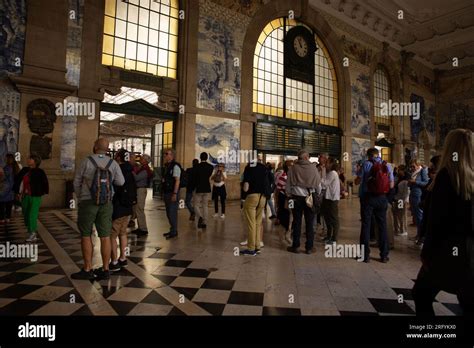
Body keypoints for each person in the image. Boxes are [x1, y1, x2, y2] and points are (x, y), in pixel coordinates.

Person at [412, 129, 473, 316]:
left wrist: (427, 251)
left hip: (447, 248)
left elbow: (436, 221)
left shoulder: (447, 176)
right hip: (471, 250)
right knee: (468, 301)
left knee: (421, 294)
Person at [72, 138, 124, 280]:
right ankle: (106, 269)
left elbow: (76, 181)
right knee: (105, 235)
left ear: (95, 147)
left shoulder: (86, 161)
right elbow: (121, 182)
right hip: (106, 203)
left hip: (88, 202)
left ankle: (88, 269)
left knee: (86, 234)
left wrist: (80, 196)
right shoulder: (113, 163)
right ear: (107, 150)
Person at [356, 148, 394, 263]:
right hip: (382, 199)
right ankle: (384, 255)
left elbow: (357, 181)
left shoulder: (366, 164)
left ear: (368, 155)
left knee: (366, 225)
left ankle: (365, 255)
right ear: (378, 155)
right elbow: (391, 185)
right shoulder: (387, 166)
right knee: (382, 226)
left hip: (368, 198)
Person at [286, 149, 321, 254]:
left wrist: (289, 194)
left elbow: (288, 185)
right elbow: (318, 185)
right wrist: (317, 194)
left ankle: (295, 246)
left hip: (296, 198)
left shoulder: (292, 168)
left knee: (296, 222)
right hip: (309, 198)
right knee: (309, 223)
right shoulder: (313, 168)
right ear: (306, 157)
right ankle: (309, 248)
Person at [109, 149, 136, 272]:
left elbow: (114, 188)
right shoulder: (130, 171)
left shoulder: (117, 170)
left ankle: (114, 261)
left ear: (118, 158)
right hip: (128, 207)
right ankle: (123, 258)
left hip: (119, 206)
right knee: (123, 233)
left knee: (112, 235)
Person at [13, 154, 49, 243]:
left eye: (30, 159)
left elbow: (44, 183)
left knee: (32, 214)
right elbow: (18, 180)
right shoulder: (25, 170)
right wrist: (17, 192)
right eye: (28, 158)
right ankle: (30, 230)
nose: (28, 160)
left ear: (35, 161)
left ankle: (32, 233)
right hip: (25, 196)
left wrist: (42, 192)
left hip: (35, 196)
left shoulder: (40, 171)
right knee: (25, 214)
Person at [240, 159, 270, 256]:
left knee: (251, 223)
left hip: (252, 196)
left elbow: (246, 187)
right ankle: (257, 246)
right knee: (258, 222)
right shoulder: (264, 168)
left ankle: (251, 248)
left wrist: (243, 193)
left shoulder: (249, 168)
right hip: (263, 197)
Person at [408, 159, 429, 244]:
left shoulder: (422, 171)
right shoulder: (415, 172)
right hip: (413, 194)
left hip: (418, 195)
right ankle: (418, 234)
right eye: (411, 166)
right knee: (416, 216)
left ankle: (421, 237)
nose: (412, 168)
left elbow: (426, 183)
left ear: (418, 164)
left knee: (419, 216)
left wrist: (415, 182)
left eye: (413, 166)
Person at [131, 154, 153, 236]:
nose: (140, 159)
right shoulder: (142, 168)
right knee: (137, 209)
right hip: (138, 189)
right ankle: (140, 227)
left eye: (142, 158)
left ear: (146, 161)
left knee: (140, 209)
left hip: (141, 189)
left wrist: (132, 171)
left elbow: (137, 178)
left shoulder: (145, 170)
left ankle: (143, 229)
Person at [162, 148, 181, 239]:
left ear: (172, 155)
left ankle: (174, 231)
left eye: (167, 154)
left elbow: (177, 181)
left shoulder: (175, 166)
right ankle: (172, 229)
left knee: (172, 212)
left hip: (172, 193)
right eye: (165, 154)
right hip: (167, 192)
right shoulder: (167, 166)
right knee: (168, 213)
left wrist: (175, 193)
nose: (165, 155)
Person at [321, 158, 340, 244]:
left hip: (332, 199)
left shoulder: (333, 173)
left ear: (332, 164)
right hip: (327, 197)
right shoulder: (330, 173)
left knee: (333, 218)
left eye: (327, 162)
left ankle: (334, 238)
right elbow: (325, 184)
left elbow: (324, 183)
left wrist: (318, 176)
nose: (325, 164)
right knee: (327, 218)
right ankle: (328, 236)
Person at [192, 152, 213, 229]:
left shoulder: (197, 166)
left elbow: (195, 178)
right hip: (207, 187)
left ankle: (200, 217)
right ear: (207, 158)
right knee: (205, 206)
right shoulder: (210, 167)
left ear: (200, 158)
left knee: (196, 205)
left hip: (198, 188)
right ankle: (204, 222)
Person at [276, 160, 293, 244]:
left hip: (291, 199)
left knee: (291, 216)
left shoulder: (294, 176)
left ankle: (288, 234)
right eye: (290, 166)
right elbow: (278, 189)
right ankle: (282, 236)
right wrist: (277, 202)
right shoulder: (283, 176)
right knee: (284, 217)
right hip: (284, 198)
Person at [392, 165, 409, 236]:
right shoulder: (397, 177)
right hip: (396, 199)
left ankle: (403, 230)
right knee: (396, 215)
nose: (398, 171)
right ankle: (397, 229)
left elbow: (406, 192)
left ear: (403, 170)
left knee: (401, 215)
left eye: (399, 170)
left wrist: (404, 200)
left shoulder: (405, 180)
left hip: (401, 200)